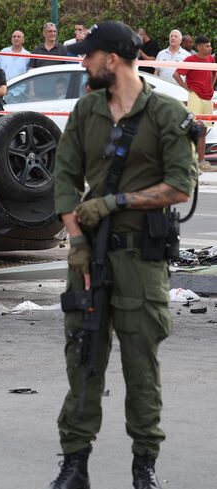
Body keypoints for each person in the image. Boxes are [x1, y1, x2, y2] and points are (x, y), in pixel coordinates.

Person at [50, 21, 198, 489]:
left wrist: (113, 203)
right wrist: (76, 241)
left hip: (142, 261)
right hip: (91, 258)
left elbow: (180, 186)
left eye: (88, 55)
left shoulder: (166, 113)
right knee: (83, 358)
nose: (82, 61)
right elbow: (65, 180)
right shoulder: (86, 110)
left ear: (111, 60)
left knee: (141, 368)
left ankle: (144, 469)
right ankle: (75, 466)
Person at [174, 36, 215, 171]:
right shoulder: (190, 60)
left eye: (210, 46)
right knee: (193, 129)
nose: (210, 48)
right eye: (207, 46)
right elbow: (176, 74)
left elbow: (215, 73)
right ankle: (189, 161)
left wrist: (210, 86)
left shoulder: (210, 59)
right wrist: (187, 88)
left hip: (208, 97)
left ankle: (201, 161)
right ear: (199, 47)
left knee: (203, 130)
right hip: (196, 97)